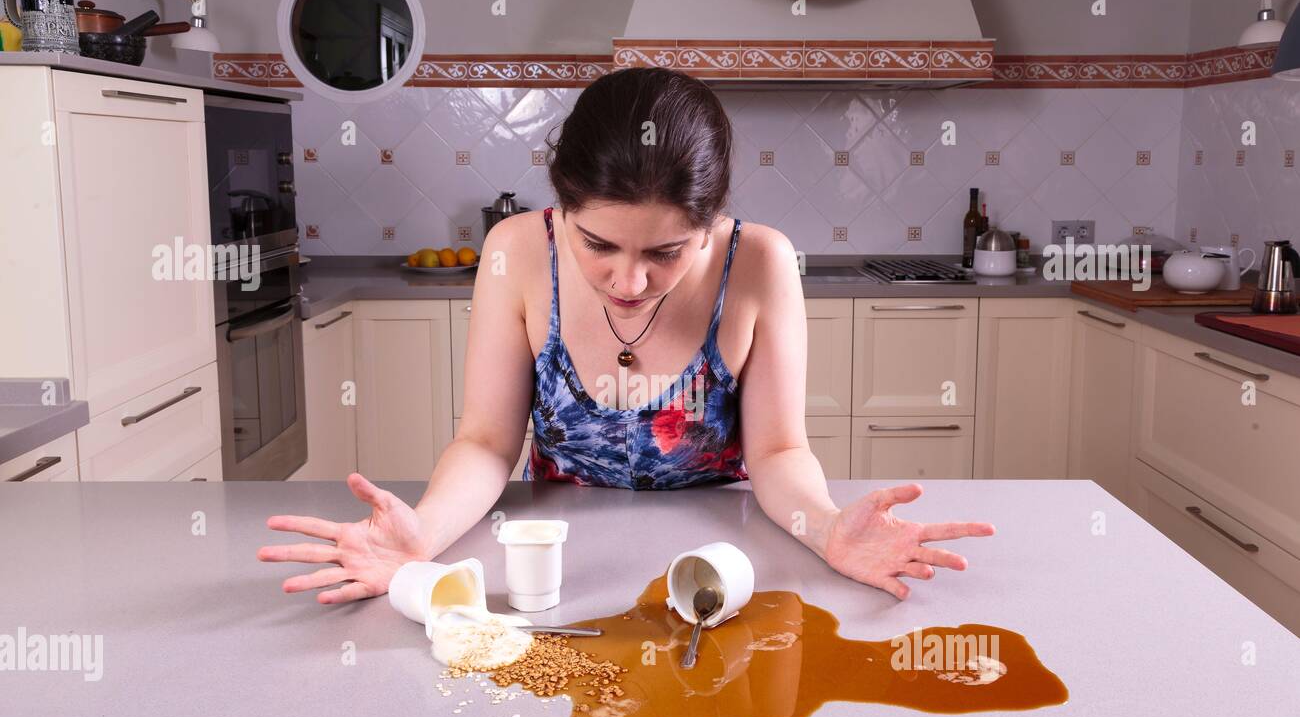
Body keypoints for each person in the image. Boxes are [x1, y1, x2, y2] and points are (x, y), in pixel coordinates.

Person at [258, 68, 994, 603]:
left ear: (710, 226)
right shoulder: (517, 251)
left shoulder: (761, 261)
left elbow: (776, 451)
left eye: (666, 253)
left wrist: (828, 528)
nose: (628, 281)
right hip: (561, 571)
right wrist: (423, 538)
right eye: (598, 244)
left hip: (726, 561)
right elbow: (486, 441)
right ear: (563, 204)